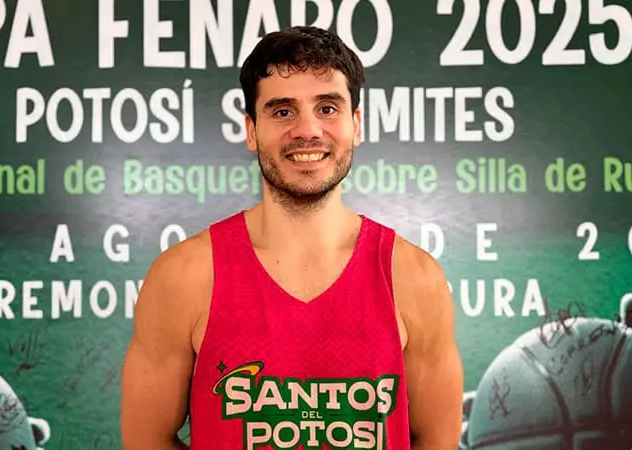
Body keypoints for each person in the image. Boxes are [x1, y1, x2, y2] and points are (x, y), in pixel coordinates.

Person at [120, 26, 464, 449]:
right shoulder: (184, 277)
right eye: (283, 111)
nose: (307, 130)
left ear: (356, 125)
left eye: (327, 108)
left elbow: (437, 441)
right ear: (251, 130)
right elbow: (147, 438)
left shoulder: (414, 279)